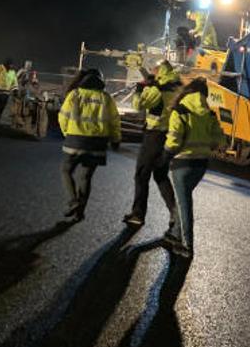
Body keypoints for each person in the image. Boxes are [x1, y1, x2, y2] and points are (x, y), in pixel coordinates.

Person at [160, 77, 225, 256]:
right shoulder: (210, 114)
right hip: (201, 165)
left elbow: (173, 141)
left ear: (188, 91)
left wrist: (164, 156)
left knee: (184, 204)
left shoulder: (180, 111)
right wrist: (207, 144)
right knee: (184, 200)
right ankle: (174, 235)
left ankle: (187, 245)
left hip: (182, 164)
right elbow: (220, 140)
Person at [122, 60, 181, 230]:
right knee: (161, 175)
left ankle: (138, 215)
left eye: (155, 70)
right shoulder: (176, 87)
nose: (153, 72)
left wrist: (140, 89)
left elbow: (138, 105)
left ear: (160, 71)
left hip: (154, 135)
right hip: (168, 135)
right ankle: (176, 213)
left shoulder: (158, 89)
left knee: (142, 174)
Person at [58, 69, 121, 222]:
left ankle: (73, 201)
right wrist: (115, 140)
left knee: (66, 171)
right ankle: (80, 213)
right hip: (97, 144)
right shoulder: (106, 98)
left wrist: (68, 133)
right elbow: (115, 122)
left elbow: (63, 117)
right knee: (85, 178)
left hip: (75, 140)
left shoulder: (75, 95)